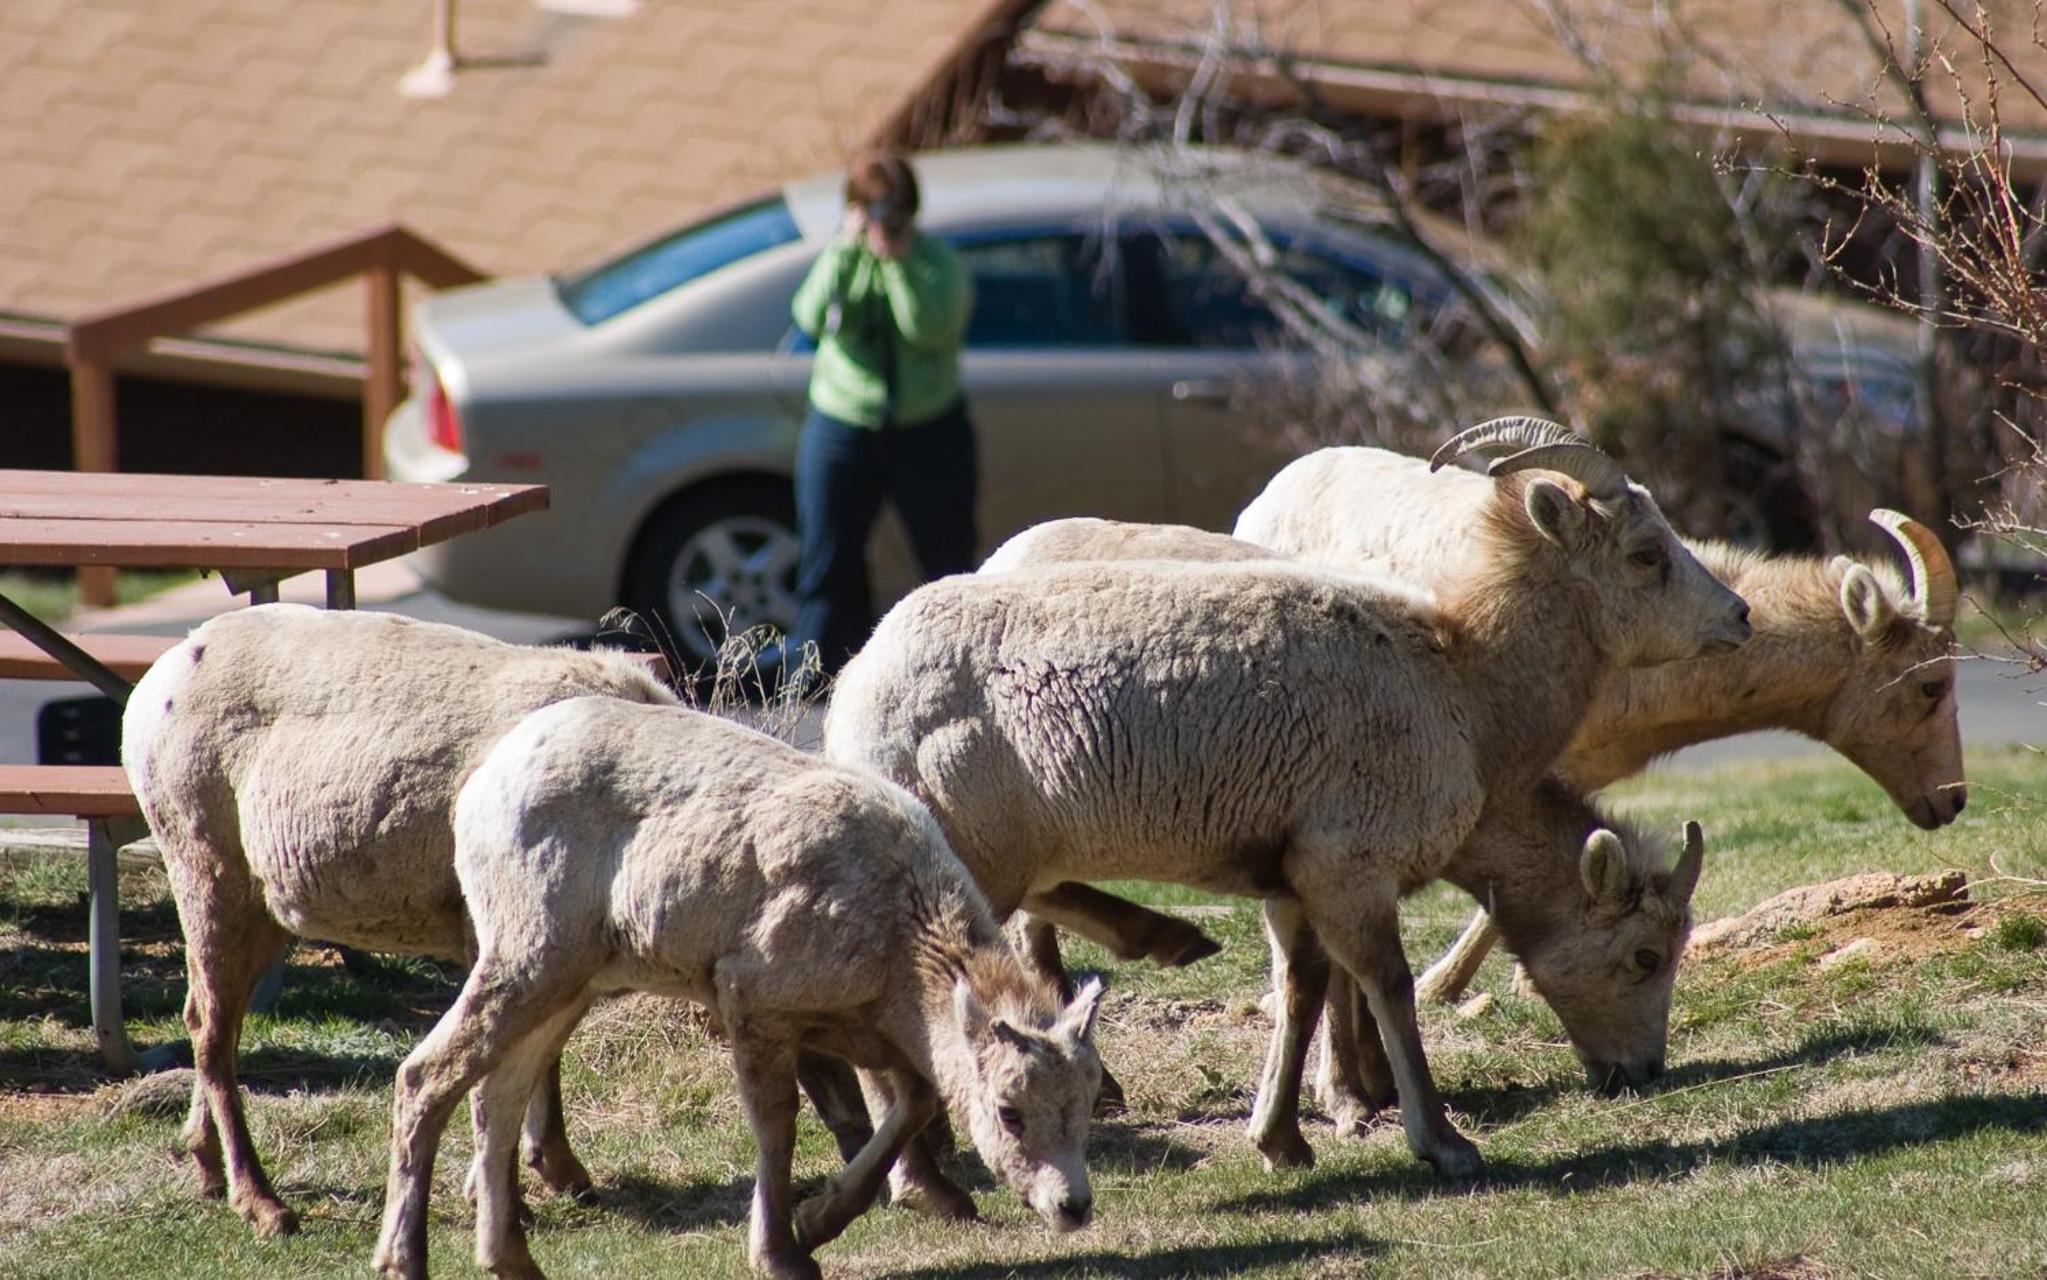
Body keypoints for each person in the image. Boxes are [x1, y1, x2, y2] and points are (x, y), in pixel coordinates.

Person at [788, 151, 976, 675]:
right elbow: (808, 315)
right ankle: (816, 680)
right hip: (843, 428)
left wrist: (895, 264)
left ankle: (954, 673)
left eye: (893, 213)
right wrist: (847, 250)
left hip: (928, 431)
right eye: (871, 211)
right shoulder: (843, 256)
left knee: (948, 569)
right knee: (825, 571)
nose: (883, 224)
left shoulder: (934, 262)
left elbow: (928, 330)